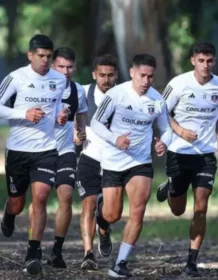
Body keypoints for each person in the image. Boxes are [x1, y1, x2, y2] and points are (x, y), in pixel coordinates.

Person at [91, 54, 172, 278]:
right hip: (113, 161)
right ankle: (102, 219)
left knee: (138, 211)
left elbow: (166, 129)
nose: (146, 81)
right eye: (142, 75)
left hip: (140, 162)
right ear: (132, 72)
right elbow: (96, 123)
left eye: (150, 76)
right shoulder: (116, 94)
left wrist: (164, 142)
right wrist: (115, 139)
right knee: (112, 214)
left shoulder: (157, 100)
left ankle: (120, 264)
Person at [155, 42, 218, 277]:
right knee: (178, 209)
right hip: (179, 152)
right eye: (201, 60)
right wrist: (179, 131)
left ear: (214, 61)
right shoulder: (178, 84)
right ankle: (170, 189)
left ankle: (191, 262)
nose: (205, 65)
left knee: (201, 208)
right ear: (192, 61)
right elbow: (162, 111)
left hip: (205, 155)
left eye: (209, 61)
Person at [0, 34, 68, 275]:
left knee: (40, 197)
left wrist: (61, 116)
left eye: (49, 57)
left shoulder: (59, 80)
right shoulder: (16, 78)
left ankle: (32, 254)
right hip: (18, 150)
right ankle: (8, 214)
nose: (45, 61)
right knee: (18, 203)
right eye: (41, 56)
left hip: (46, 149)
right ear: (30, 55)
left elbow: (58, 106)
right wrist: (24, 114)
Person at [27, 47, 88, 268]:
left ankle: (57, 251)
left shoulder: (78, 90)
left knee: (66, 196)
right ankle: (33, 248)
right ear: (53, 66)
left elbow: (80, 118)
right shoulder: (39, 87)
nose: (66, 71)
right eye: (61, 66)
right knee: (39, 199)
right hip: (41, 151)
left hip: (66, 151)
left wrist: (80, 134)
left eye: (69, 67)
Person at [76, 54, 118, 270]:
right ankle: (88, 254)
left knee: (108, 210)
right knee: (88, 204)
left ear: (117, 75)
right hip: (89, 158)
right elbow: (66, 114)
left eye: (110, 75)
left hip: (115, 162)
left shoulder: (125, 95)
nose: (106, 79)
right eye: (102, 75)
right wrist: (74, 134)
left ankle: (104, 229)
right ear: (94, 75)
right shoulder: (83, 92)